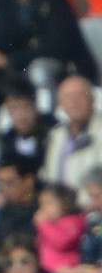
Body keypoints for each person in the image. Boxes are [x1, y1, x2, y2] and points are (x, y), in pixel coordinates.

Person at [40, 76, 102, 207]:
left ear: (92, 99)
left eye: (80, 95)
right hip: (60, 212)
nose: (74, 101)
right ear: (60, 103)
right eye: (68, 96)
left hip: (91, 210)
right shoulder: (55, 135)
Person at [34, 182, 86, 273]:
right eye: (41, 204)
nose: (43, 208)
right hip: (46, 270)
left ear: (64, 203)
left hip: (65, 271)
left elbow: (61, 241)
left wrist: (43, 224)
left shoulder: (74, 221)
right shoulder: (51, 223)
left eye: (48, 203)